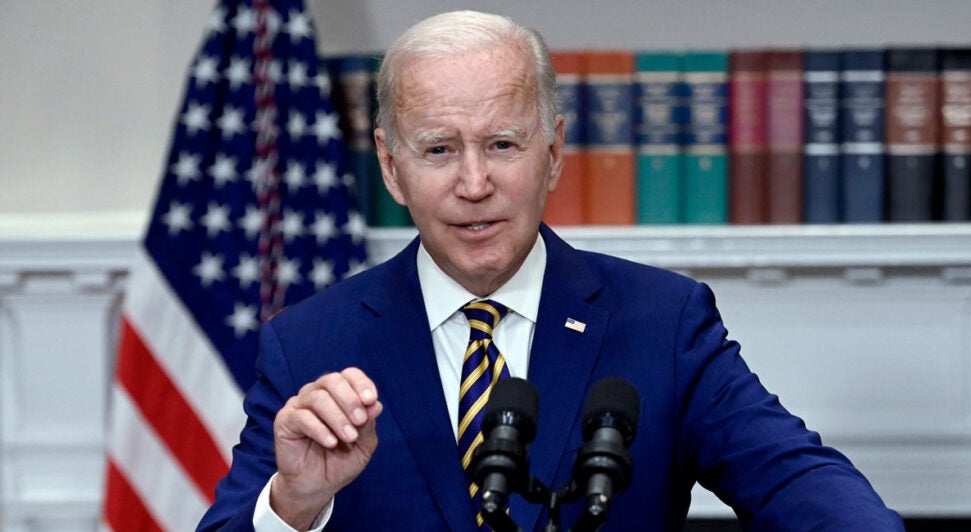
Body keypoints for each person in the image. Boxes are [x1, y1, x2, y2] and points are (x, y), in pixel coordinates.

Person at [198, 10, 903, 531]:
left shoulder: (664, 323)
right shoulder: (311, 343)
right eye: (439, 150)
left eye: (503, 143)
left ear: (554, 151)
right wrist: (294, 505)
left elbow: (800, 484)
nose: (474, 184)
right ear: (390, 165)